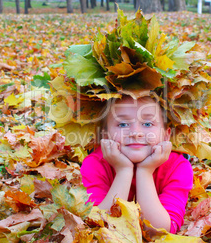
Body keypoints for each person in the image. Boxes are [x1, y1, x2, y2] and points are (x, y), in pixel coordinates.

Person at [80, 94, 194, 234]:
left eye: (147, 124)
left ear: (166, 135)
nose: (135, 133)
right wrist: (123, 171)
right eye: (122, 124)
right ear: (105, 136)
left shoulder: (178, 167)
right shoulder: (95, 164)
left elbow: (159, 231)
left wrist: (145, 172)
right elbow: (99, 226)